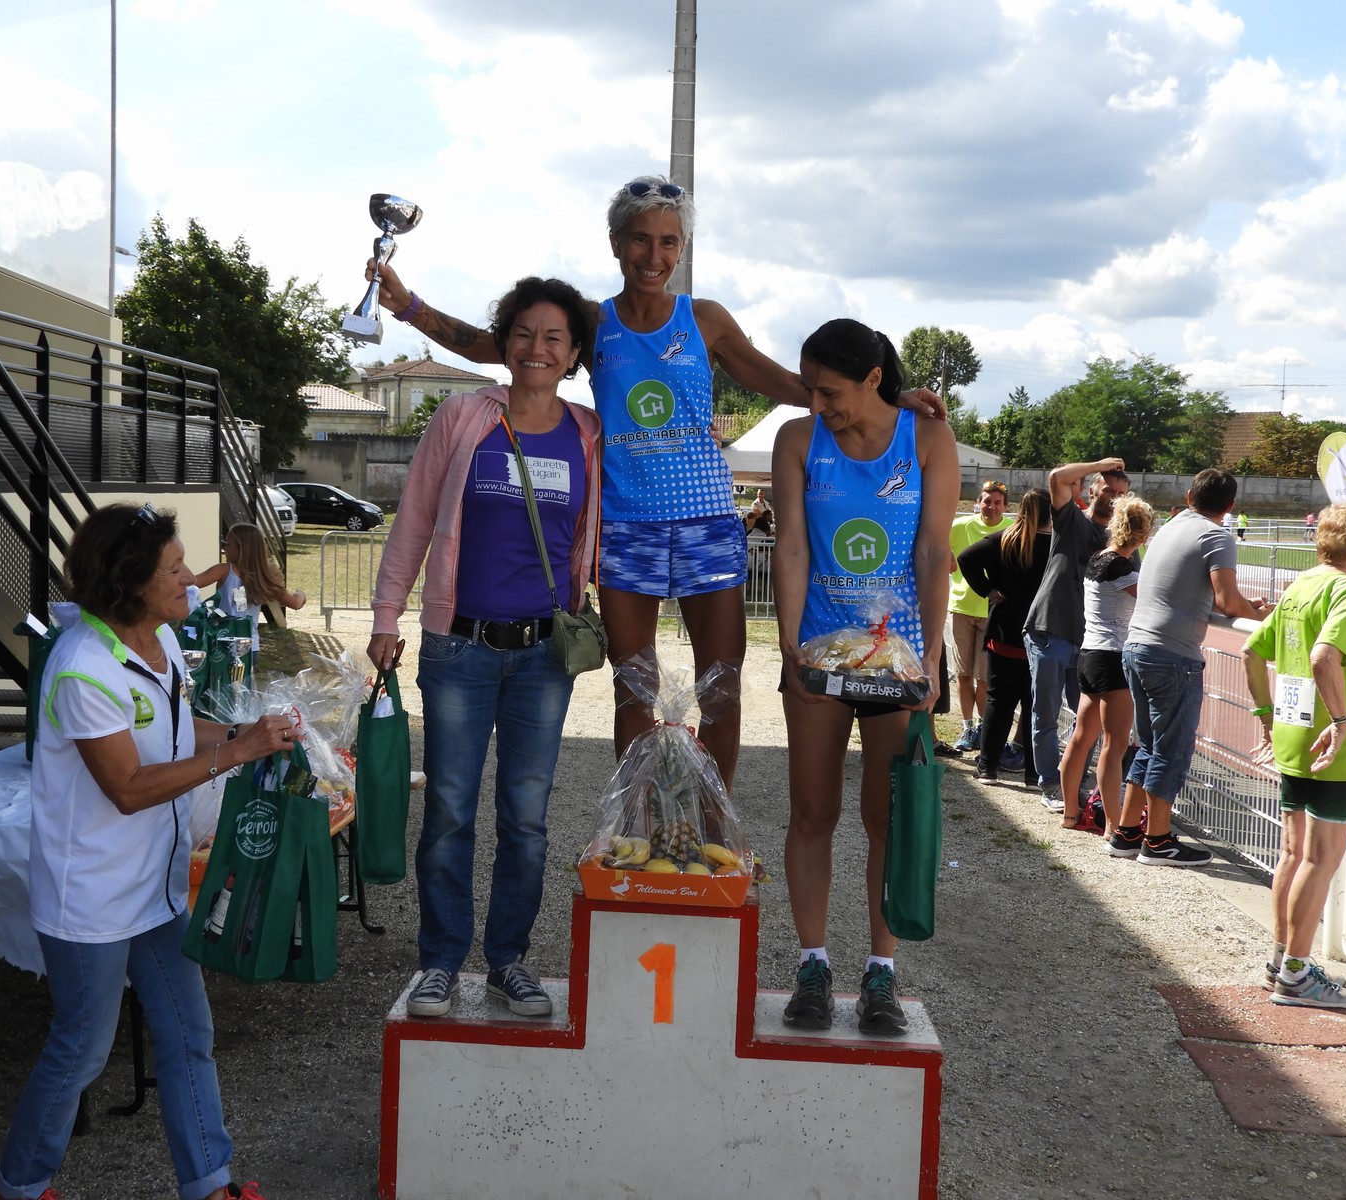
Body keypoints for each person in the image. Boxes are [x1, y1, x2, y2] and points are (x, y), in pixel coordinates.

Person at [363, 176, 942, 792]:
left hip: (707, 525)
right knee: (633, 685)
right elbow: (493, 345)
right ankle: (637, 821)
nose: (654, 256)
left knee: (721, 685)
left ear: (682, 248)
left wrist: (887, 399)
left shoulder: (705, 319)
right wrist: (407, 306)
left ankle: (713, 820)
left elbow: (793, 387)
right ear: (616, 243)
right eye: (640, 239)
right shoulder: (593, 323)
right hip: (626, 529)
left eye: (669, 242)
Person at [0, 503, 299, 1200]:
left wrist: (250, 733)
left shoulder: (158, 643)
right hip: (92, 902)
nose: (192, 577)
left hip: (154, 890)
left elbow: (180, 731)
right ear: (131, 584)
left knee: (188, 1034)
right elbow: (127, 787)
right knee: (82, 1051)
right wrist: (235, 754)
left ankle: (208, 1184)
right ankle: (16, 1189)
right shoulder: (83, 667)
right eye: (174, 569)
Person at [367, 278, 602, 1021]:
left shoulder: (589, 433)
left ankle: (508, 961)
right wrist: (386, 615)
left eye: (554, 338)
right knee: (448, 810)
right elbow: (413, 520)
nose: (537, 348)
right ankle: (440, 962)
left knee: (526, 818)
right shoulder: (464, 416)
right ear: (505, 343)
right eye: (524, 333)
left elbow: (596, 536)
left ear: (573, 353)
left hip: (544, 657)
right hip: (458, 649)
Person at [771, 319, 958, 1035]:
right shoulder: (798, 440)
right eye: (809, 391)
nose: (817, 405)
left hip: (897, 659)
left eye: (830, 392)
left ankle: (881, 971)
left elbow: (934, 552)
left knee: (887, 817)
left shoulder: (928, 438)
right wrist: (789, 645)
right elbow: (792, 546)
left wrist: (932, 658)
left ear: (873, 379)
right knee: (812, 812)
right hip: (820, 656)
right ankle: (812, 964)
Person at [1242, 502, 1346, 1009]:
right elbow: (1324, 657)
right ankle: (1297, 975)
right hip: (1333, 748)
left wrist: (1266, 714)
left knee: (1293, 853)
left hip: (1294, 734)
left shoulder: (1299, 585)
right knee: (1320, 859)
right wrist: (1342, 721)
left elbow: (1252, 652)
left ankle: (1281, 960)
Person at [1111, 469, 1269, 867]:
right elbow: (1227, 601)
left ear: (1188, 496)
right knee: (1172, 750)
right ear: (1230, 506)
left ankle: (1127, 833)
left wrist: (1245, 605)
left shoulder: (1169, 528)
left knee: (1149, 746)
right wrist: (1259, 615)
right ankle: (1158, 841)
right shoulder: (1217, 536)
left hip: (1137, 646)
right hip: (1172, 655)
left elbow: (1196, 592)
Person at [1023, 459, 1130, 811]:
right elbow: (1057, 477)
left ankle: (1074, 787)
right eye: (1108, 489)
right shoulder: (1071, 519)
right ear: (1092, 490)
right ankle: (1051, 785)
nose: (1113, 498)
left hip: (1090, 644)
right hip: (1050, 630)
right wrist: (1101, 463)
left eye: (1121, 494)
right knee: (1046, 715)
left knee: (1089, 724)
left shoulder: (1122, 545)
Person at [1055, 494, 1155, 832]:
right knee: (1114, 745)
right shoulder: (1121, 567)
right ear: (1143, 533)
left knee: (1081, 737)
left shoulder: (1098, 558)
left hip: (1090, 654)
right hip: (1113, 656)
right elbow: (1153, 600)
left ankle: (1071, 813)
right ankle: (1113, 824)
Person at [957, 488, 1053, 787]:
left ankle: (988, 768)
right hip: (1042, 634)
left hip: (1004, 631)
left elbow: (966, 558)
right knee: (1035, 706)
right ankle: (1033, 774)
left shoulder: (1004, 538)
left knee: (999, 701)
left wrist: (988, 590)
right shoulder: (1056, 545)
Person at [946, 480, 1012, 752]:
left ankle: (985, 727)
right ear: (978, 503)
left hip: (992, 613)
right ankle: (967, 726)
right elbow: (940, 546)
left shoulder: (1011, 530)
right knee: (963, 674)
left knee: (984, 678)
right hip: (961, 608)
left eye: (997, 503)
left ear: (1005, 506)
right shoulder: (960, 526)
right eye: (987, 501)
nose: (991, 507)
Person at [194, 523, 308, 652]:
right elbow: (295, 603)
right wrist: (300, 593)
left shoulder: (223, 571)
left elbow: (191, 583)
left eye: (227, 544)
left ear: (242, 549)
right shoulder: (263, 577)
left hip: (223, 647)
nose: (224, 548)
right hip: (250, 648)